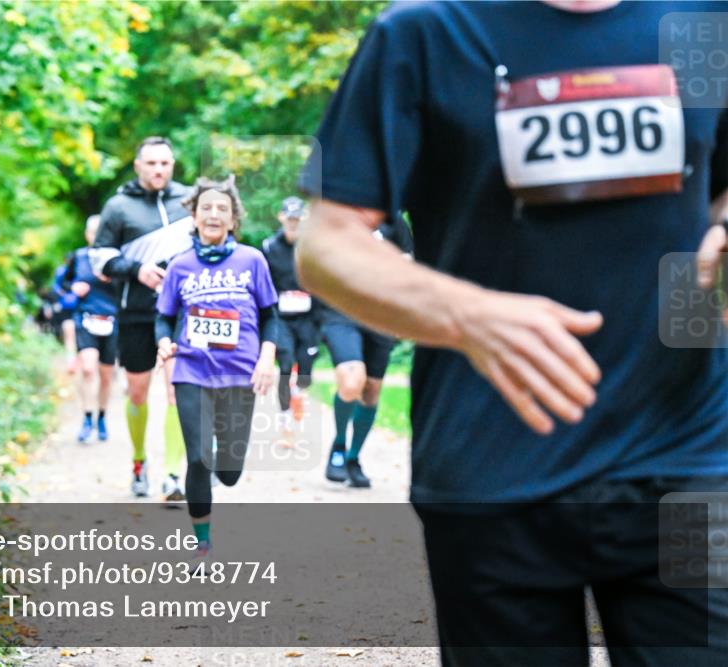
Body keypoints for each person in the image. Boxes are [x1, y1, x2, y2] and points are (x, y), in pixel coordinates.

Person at [296, 1, 727, 665]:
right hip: (492, 464)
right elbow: (326, 243)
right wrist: (469, 313)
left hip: (690, 454)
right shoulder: (419, 32)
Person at [155, 176, 278, 565]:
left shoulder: (252, 260)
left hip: (239, 373)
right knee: (197, 459)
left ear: (233, 218)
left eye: (221, 208)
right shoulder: (179, 266)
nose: (213, 214)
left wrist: (267, 356)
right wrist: (163, 342)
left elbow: (270, 314)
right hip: (191, 370)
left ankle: (218, 471)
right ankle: (202, 542)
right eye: (205, 207)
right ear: (193, 215)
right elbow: (163, 318)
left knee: (228, 471)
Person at [93, 137, 193, 498]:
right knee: (138, 392)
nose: (159, 170)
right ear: (138, 166)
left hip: (180, 313)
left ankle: (172, 475)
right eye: (151, 163)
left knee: (176, 390)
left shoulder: (189, 201)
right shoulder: (119, 207)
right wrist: (137, 269)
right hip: (135, 312)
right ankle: (139, 461)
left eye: (165, 163)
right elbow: (99, 258)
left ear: (172, 165)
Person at [317, 220, 410, 488]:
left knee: (371, 390)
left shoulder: (395, 224)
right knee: (351, 380)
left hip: (380, 316)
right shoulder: (337, 216)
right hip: (340, 313)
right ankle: (338, 445)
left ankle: (353, 458)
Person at [56, 215, 119, 443]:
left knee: (105, 376)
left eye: (101, 231)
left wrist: (111, 279)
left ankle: (101, 417)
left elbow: (129, 284)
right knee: (88, 369)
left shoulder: (116, 258)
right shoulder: (78, 257)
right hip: (86, 318)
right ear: (87, 234)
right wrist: (73, 287)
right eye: (93, 231)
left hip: (112, 320)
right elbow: (61, 283)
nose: (96, 235)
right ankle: (86, 418)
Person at [261, 196, 320, 434]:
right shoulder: (269, 247)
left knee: (305, 372)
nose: (293, 223)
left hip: (308, 317)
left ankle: (299, 391)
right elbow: (264, 286)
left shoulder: (313, 247)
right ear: (281, 217)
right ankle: (285, 419)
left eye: (298, 219)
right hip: (281, 318)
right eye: (290, 218)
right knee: (286, 364)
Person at [50, 258, 81, 374]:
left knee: (72, 336)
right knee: (70, 335)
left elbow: (55, 287)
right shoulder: (63, 271)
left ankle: (73, 361)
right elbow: (56, 287)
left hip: (77, 308)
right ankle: (71, 361)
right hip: (69, 309)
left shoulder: (76, 271)